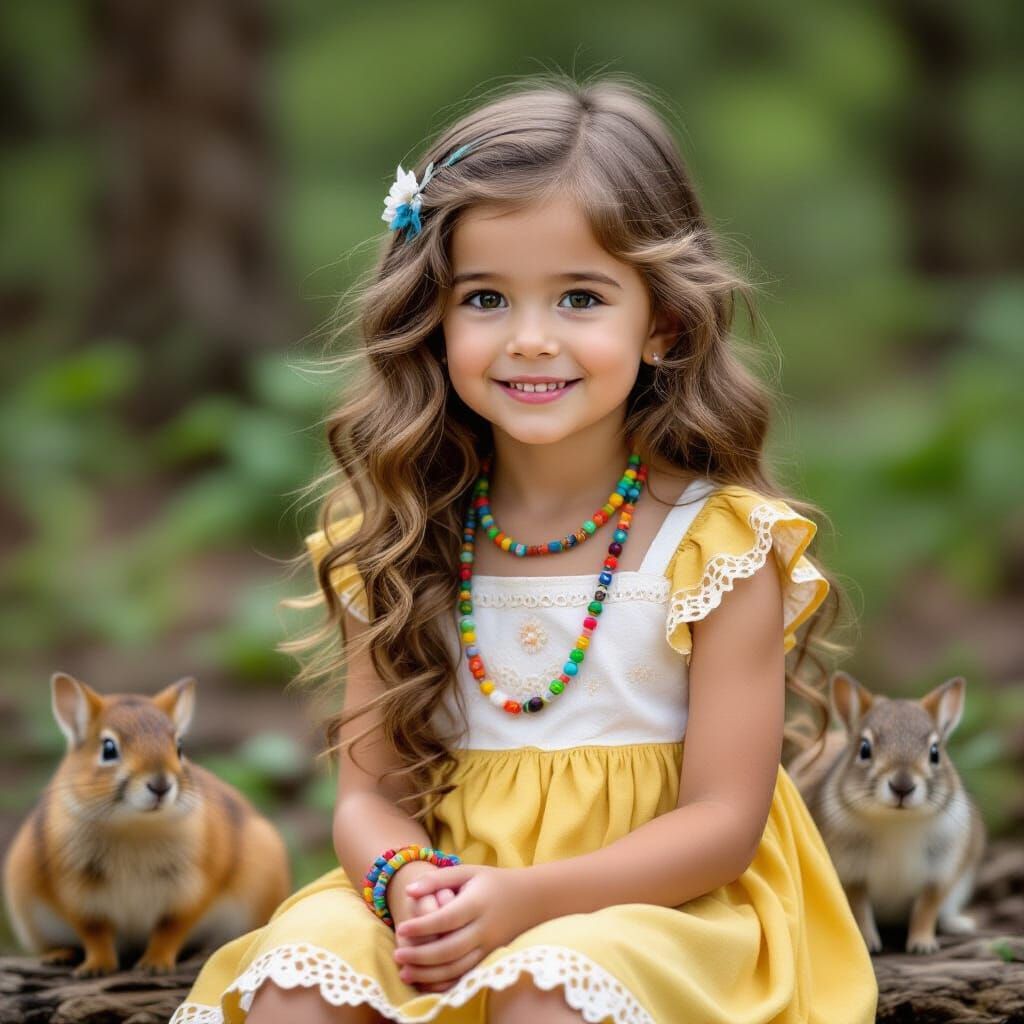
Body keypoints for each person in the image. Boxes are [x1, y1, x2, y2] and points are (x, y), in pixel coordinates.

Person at [171, 72, 879, 1024]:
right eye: (487, 299)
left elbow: (722, 825)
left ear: (662, 323)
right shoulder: (402, 540)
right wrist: (403, 882)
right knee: (302, 976)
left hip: (662, 910)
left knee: (547, 991)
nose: (531, 340)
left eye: (581, 298)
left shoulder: (716, 551)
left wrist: (529, 903)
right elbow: (366, 799)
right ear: (435, 316)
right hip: (457, 896)